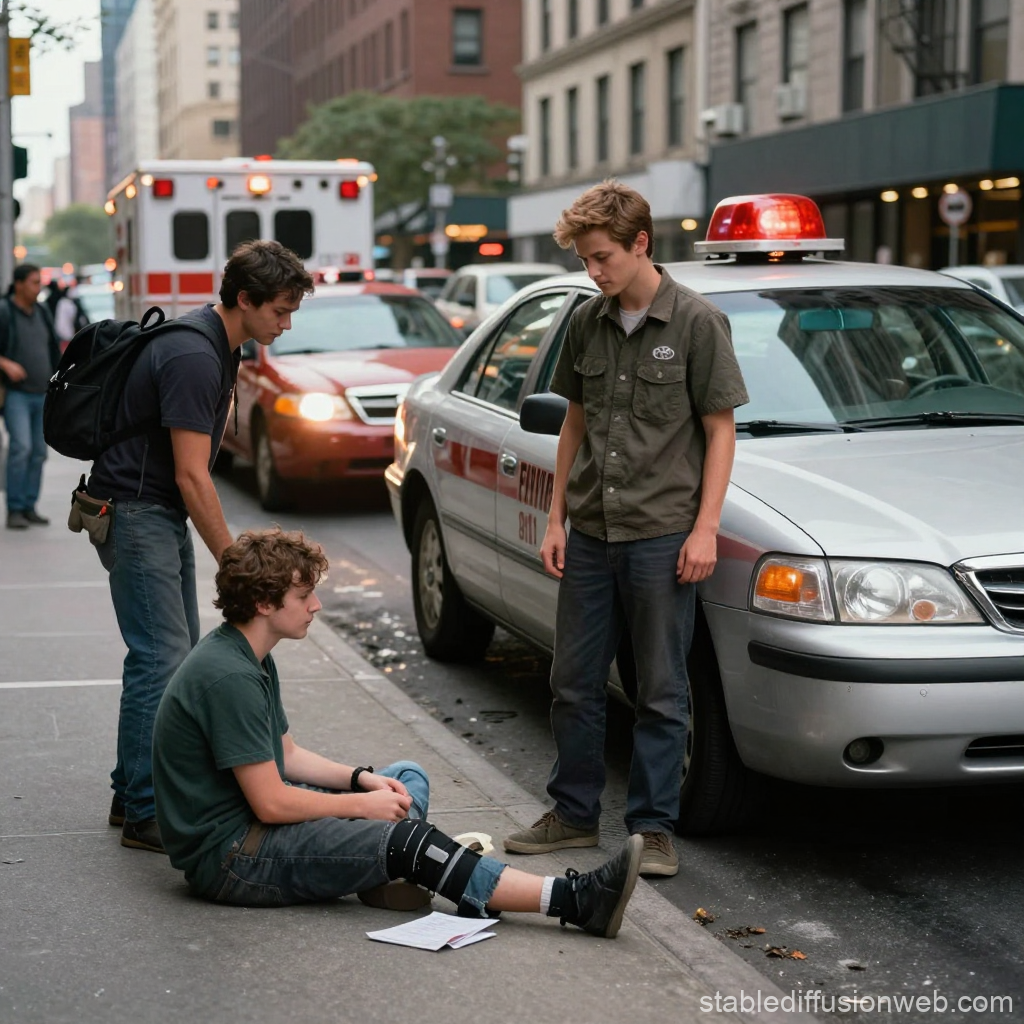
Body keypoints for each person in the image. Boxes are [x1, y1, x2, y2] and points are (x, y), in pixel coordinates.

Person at [152, 528, 642, 938]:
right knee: (408, 840)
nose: (316, 605)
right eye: (303, 596)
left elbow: (289, 755)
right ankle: (574, 900)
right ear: (263, 602)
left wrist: (363, 780)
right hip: (236, 858)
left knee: (405, 776)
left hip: (254, 828)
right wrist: (361, 807)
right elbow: (272, 804)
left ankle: (390, 866)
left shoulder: (248, 655)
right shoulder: (230, 677)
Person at [503, 182, 749, 877]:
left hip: (662, 534)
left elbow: (720, 431)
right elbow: (574, 424)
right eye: (585, 260)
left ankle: (654, 830)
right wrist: (555, 517)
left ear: (641, 243)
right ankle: (574, 815)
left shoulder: (697, 323)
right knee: (573, 682)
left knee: (662, 691)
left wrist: (705, 530)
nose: (594, 272)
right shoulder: (588, 321)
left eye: (602, 257)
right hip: (590, 531)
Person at [86, 240, 314, 854]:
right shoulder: (193, 354)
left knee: (175, 654)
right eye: (280, 311)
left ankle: (130, 792)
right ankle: (144, 811)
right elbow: (192, 474)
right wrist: (237, 563)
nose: (286, 325)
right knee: (161, 659)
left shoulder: (220, 345)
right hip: (138, 511)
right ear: (244, 300)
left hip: (155, 510)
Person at [0, 263, 62, 530]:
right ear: (19, 284)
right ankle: (14, 508)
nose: (39, 287)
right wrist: (6, 363)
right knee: (21, 448)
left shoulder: (42, 311)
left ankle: (29, 506)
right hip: (17, 395)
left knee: (38, 452)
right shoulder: (5, 311)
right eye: (34, 282)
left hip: (42, 393)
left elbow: (52, 348)